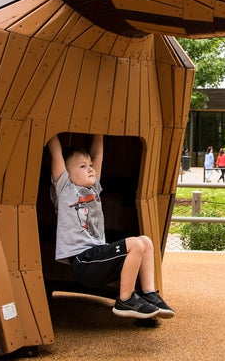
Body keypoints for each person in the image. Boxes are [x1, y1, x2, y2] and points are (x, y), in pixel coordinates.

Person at [47, 134, 174, 320]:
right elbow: (56, 152)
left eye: (90, 165)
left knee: (145, 242)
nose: (90, 169)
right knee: (135, 244)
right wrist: (50, 133)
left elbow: (98, 154)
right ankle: (125, 299)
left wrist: (99, 132)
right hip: (84, 260)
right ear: (66, 172)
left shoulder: (93, 189)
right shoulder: (65, 188)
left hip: (98, 258)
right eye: (82, 166)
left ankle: (148, 293)